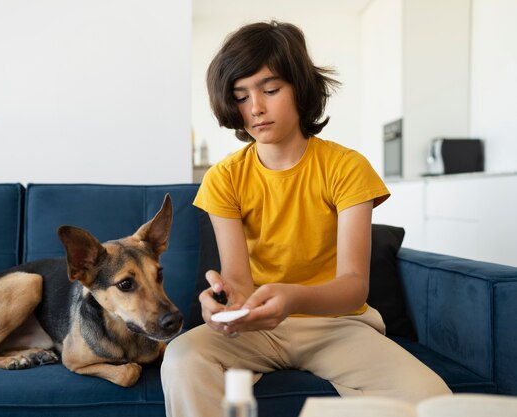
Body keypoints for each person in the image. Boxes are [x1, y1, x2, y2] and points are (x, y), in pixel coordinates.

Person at [161, 21, 451, 417]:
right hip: (257, 329)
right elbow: (239, 283)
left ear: (300, 87)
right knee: (181, 357)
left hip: (338, 325)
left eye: (270, 89)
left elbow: (354, 287)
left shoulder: (345, 167)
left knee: (434, 400)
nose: (256, 108)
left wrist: (292, 297)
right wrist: (222, 305)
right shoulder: (224, 177)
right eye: (241, 96)